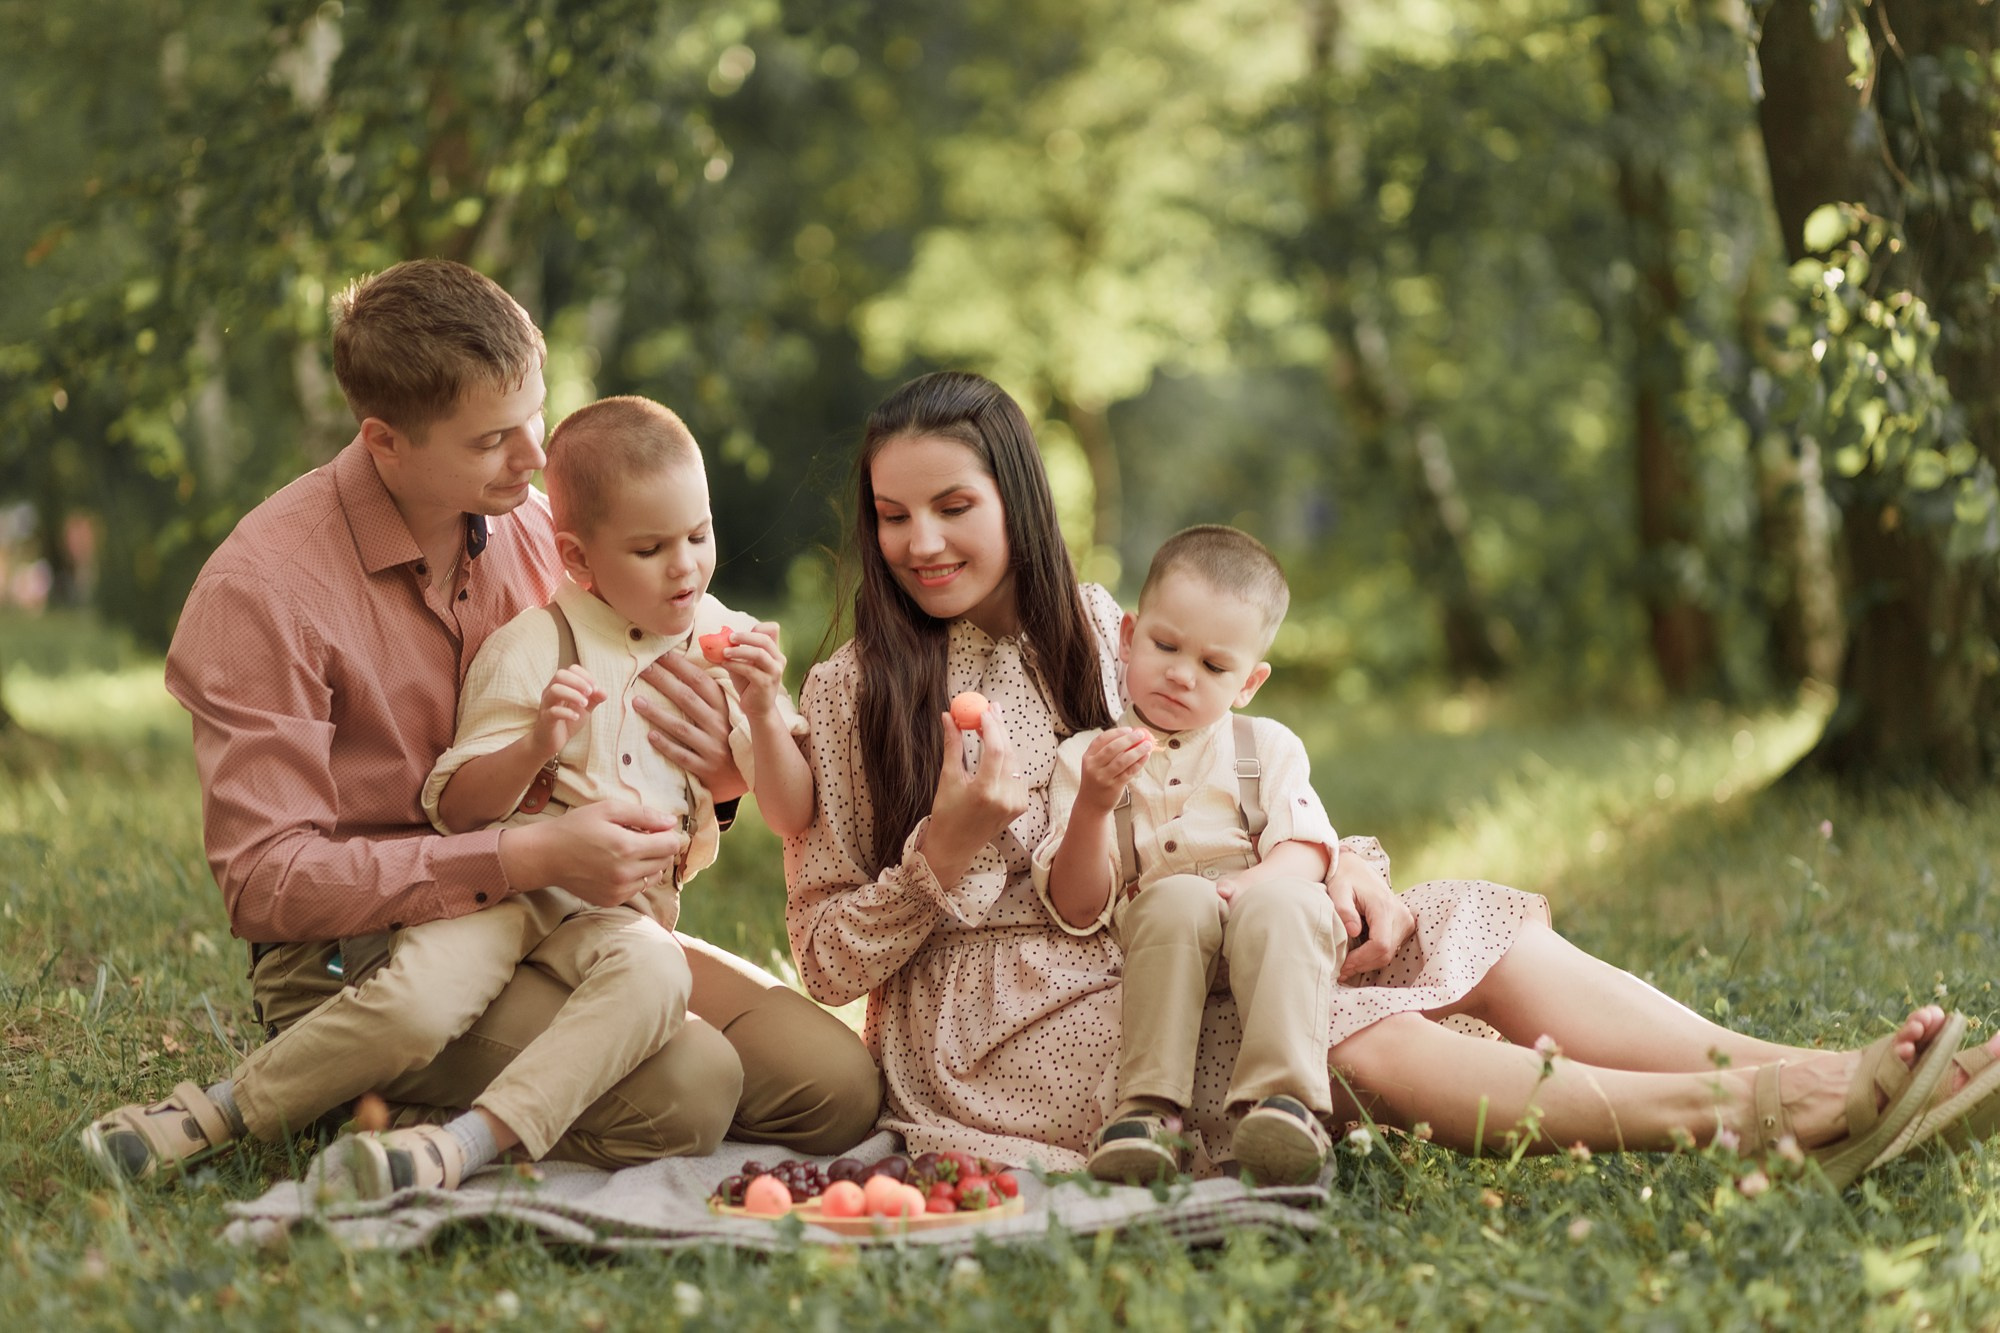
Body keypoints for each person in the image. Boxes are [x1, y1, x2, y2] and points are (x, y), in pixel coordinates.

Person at [782, 368, 2000, 1187]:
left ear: (1018, 499)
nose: (921, 542)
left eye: (952, 505)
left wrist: (1338, 863)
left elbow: (1240, 778)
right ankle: (1773, 1114)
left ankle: (1775, 1060)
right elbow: (824, 957)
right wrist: (943, 850)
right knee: (1349, 1032)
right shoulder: (847, 692)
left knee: (1464, 926)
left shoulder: (1106, 628)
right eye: (892, 516)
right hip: (998, 1039)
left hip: (1181, 928)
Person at [79, 259, 878, 1190]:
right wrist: (522, 858)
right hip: (362, 958)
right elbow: (267, 884)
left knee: (834, 1087)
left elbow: (703, 711)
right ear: (385, 440)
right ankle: (362, 1098)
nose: (536, 458)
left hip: (574, 916)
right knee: (692, 1090)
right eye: (494, 438)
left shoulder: (548, 529)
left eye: (535, 417)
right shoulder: (263, 591)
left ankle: (475, 1087)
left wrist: (723, 765)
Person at [306, 394, 818, 1196]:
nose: (685, 565)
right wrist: (540, 743)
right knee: (697, 1084)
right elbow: (457, 805)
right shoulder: (537, 645)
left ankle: (581, 1077)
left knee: (838, 1092)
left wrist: (757, 710)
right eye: (652, 549)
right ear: (578, 561)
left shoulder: (723, 635)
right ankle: (453, 1126)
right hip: (520, 912)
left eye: (699, 535)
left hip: (632, 932)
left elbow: (793, 811)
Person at [1037, 525, 1343, 1186]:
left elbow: (1309, 847)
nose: (1180, 674)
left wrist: (1254, 881)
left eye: (1213, 666)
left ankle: (1285, 1104)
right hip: (1164, 932)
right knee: (1175, 896)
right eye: (1165, 645)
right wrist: (1093, 801)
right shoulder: (1082, 757)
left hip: (1261, 915)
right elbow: (1078, 905)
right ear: (1127, 635)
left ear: (1249, 681)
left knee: (1290, 897)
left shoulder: (1267, 745)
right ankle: (1147, 1113)